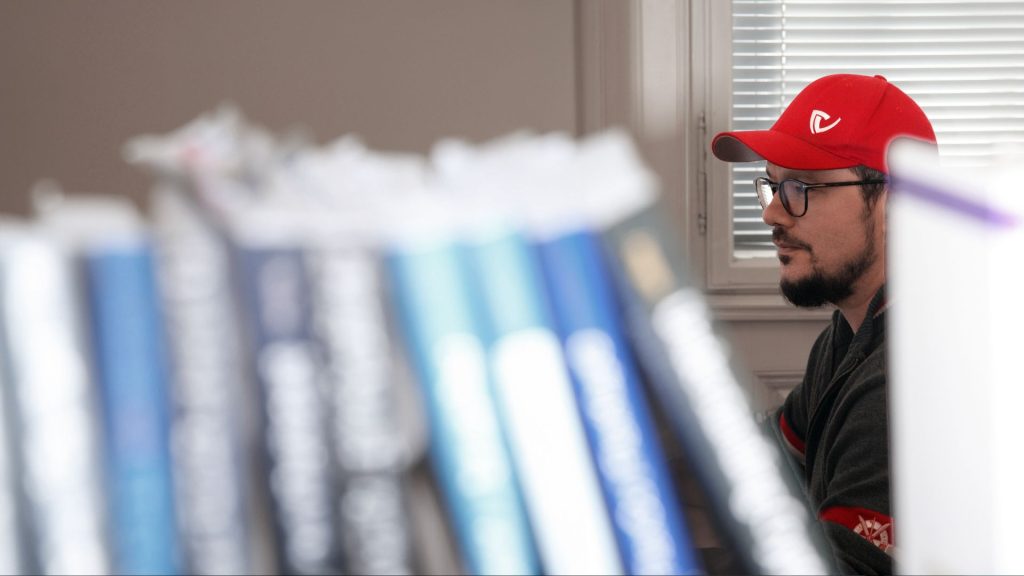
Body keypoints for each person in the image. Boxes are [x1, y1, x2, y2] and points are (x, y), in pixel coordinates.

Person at [710, 73, 936, 575]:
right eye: (772, 185)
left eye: (801, 187)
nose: (772, 212)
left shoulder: (911, 378)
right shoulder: (852, 332)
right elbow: (766, 466)